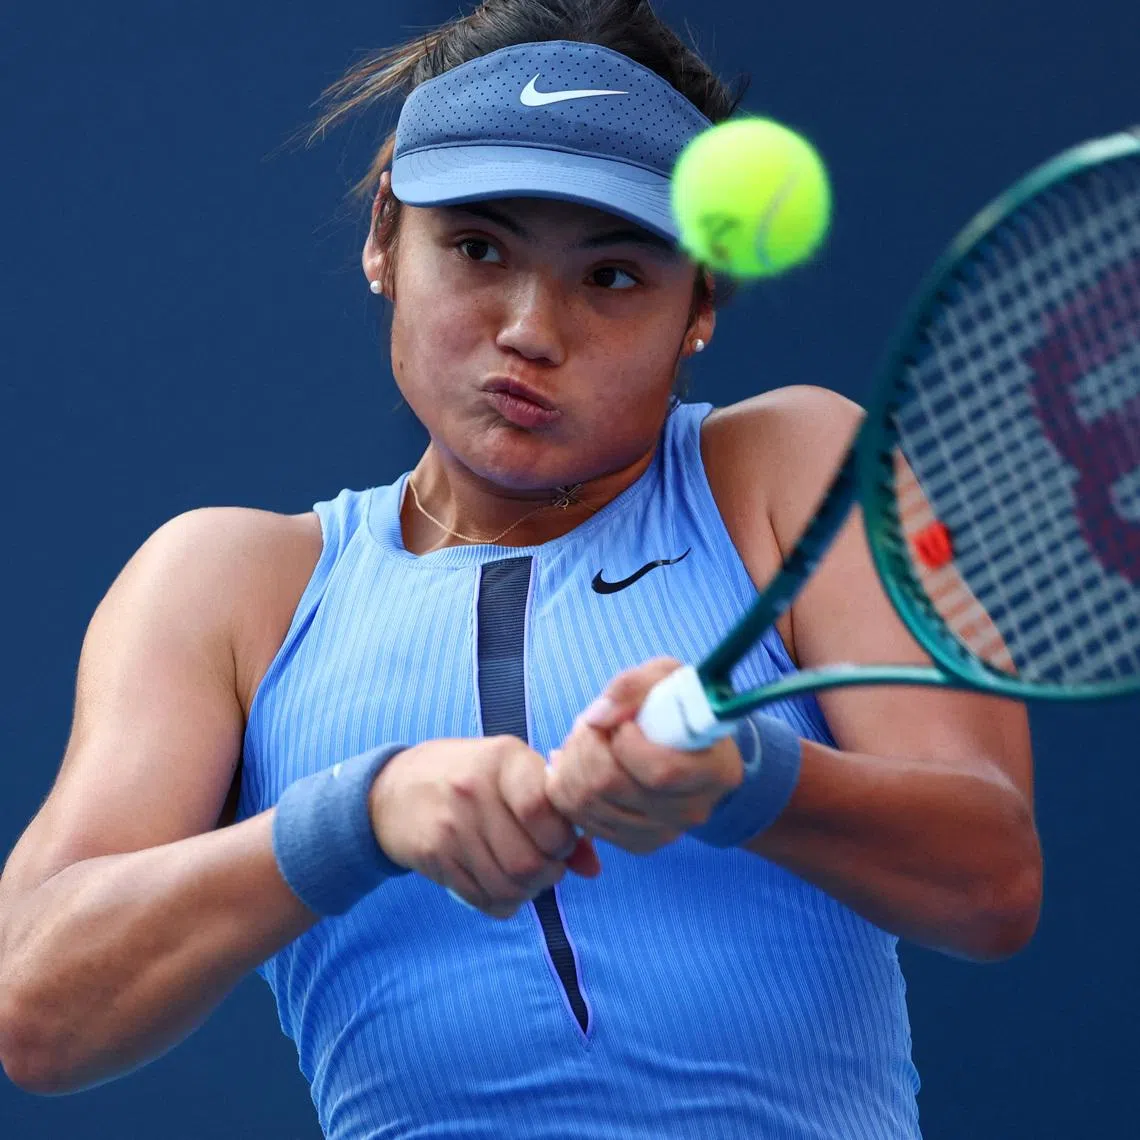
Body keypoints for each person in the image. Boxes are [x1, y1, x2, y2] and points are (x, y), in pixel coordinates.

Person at [0, 2, 1042, 1137]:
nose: (532, 329)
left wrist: (747, 777)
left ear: (699, 304)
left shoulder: (794, 469)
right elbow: (37, 1014)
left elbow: (993, 882)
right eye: (479, 248)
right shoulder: (223, 585)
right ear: (384, 235)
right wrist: (357, 815)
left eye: (612, 277)